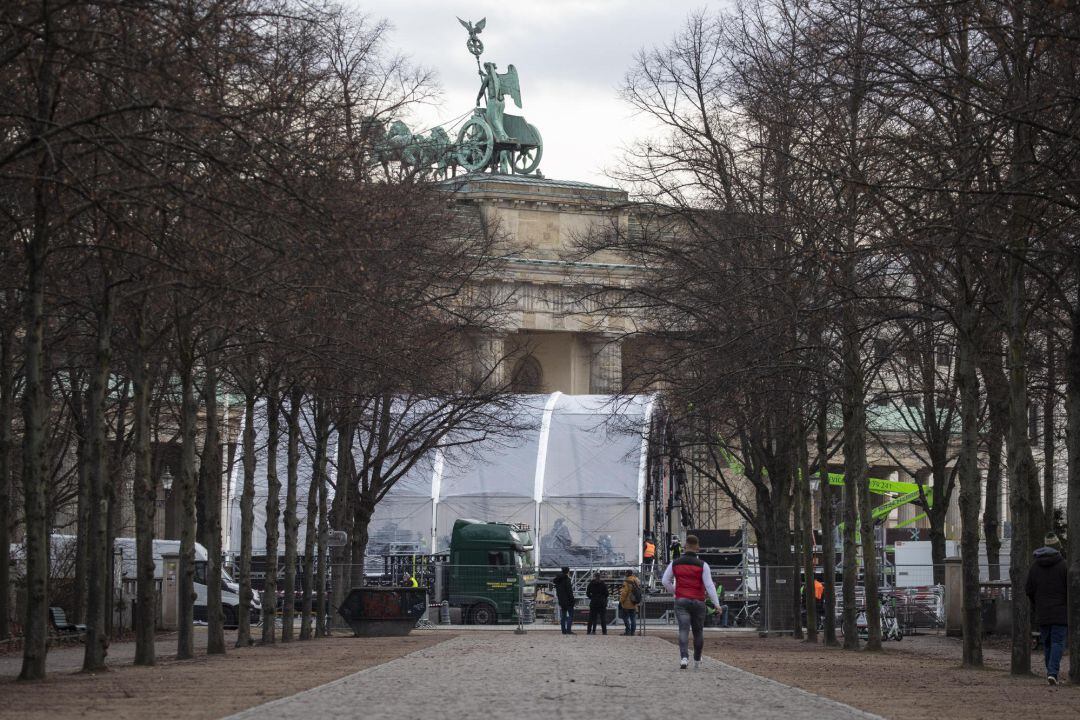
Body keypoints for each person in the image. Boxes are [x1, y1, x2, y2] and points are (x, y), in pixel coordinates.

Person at [662, 535, 720, 669]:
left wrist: (675, 591)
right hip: (698, 601)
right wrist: (716, 604)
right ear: (697, 547)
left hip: (681, 600)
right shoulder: (703, 565)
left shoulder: (675, 563)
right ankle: (697, 659)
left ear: (685, 546)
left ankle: (683, 658)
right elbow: (709, 585)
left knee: (683, 630)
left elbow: (665, 581)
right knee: (698, 632)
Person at [1025, 543, 1069, 685]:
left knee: (1047, 643)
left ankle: (1050, 673)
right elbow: (1071, 588)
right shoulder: (1064, 566)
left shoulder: (1035, 567)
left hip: (1042, 611)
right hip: (1061, 611)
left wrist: (1036, 603)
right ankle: (1052, 672)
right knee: (1057, 642)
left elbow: (1029, 589)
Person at [553, 566, 576, 635]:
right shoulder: (567, 580)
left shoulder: (557, 580)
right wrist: (572, 600)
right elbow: (569, 591)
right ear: (568, 572)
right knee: (571, 615)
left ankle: (563, 630)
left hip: (561, 600)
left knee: (563, 616)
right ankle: (568, 630)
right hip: (568, 600)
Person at [619, 569, 642, 636]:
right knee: (633, 618)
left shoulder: (627, 581)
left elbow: (624, 593)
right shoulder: (636, 580)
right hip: (634, 602)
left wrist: (621, 601)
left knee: (625, 617)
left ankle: (628, 631)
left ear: (627, 574)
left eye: (625, 573)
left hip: (627, 603)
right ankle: (633, 632)